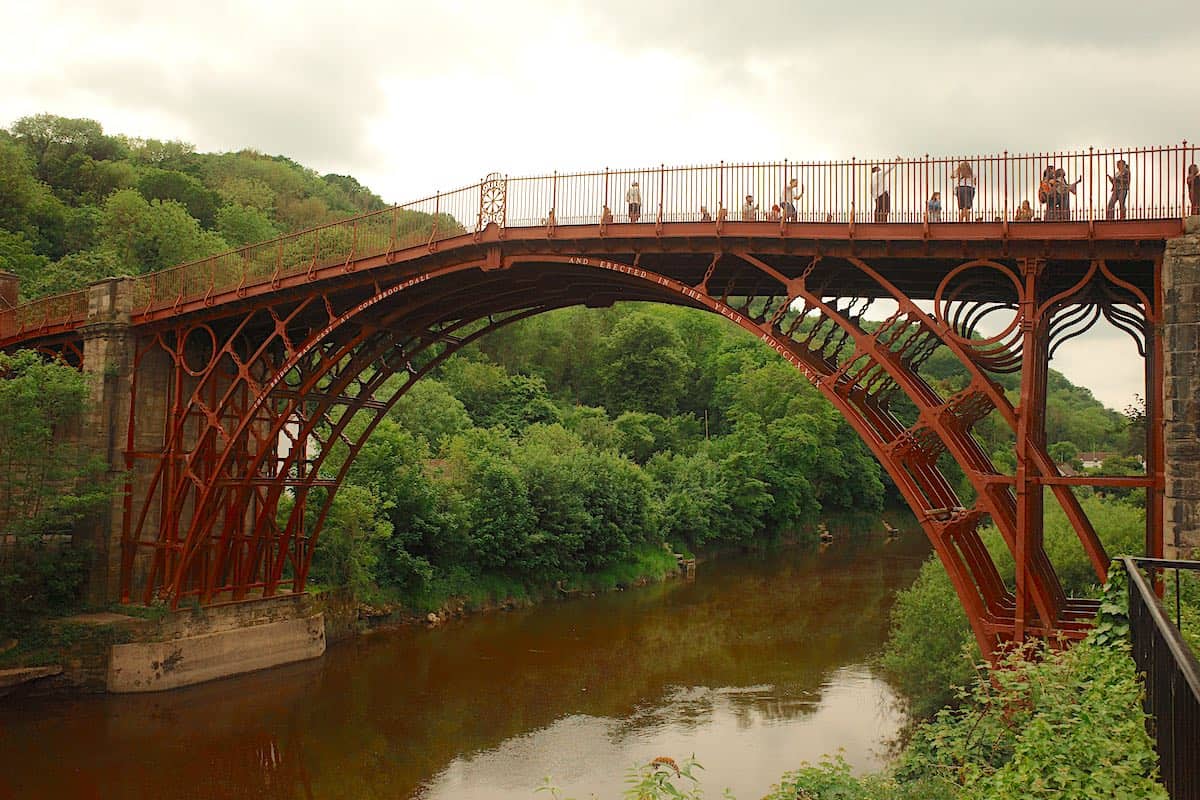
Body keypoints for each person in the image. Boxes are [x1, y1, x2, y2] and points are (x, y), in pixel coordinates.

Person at [871, 157, 901, 222]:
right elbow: (888, 169)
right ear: (876, 169)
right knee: (885, 209)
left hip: (877, 196)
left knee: (878, 209)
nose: (880, 169)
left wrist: (874, 196)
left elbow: (871, 189)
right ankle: (884, 222)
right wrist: (896, 162)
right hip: (883, 194)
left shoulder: (872, 178)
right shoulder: (879, 174)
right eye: (879, 168)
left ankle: (876, 221)